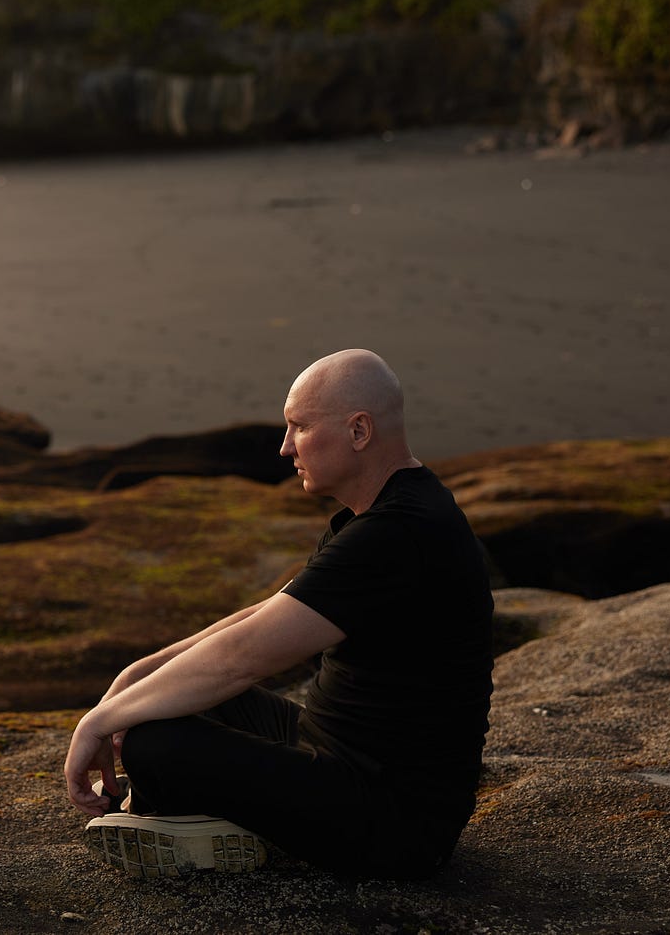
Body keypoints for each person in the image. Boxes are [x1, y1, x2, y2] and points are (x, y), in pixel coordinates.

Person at [64, 349, 494, 879]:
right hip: (330, 751)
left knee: (155, 740)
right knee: (160, 697)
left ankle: (211, 820)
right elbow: (264, 615)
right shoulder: (381, 514)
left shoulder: (399, 533)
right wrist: (137, 677)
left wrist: (99, 722)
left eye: (300, 427)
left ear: (359, 430)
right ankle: (217, 815)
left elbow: (239, 660)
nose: (285, 446)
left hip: (394, 823)